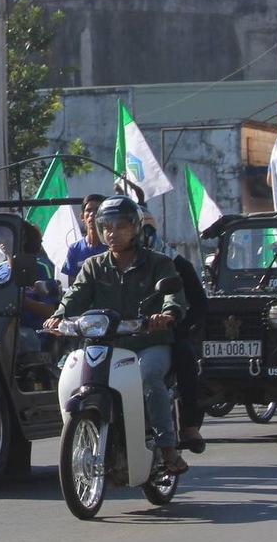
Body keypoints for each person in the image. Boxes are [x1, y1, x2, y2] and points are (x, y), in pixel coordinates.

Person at [45, 195, 190, 474]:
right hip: (105, 345)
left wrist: (167, 314)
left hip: (149, 343)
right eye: (107, 227)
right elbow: (76, 295)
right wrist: (59, 315)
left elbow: (173, 296)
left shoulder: (159, 263)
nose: (113, 233)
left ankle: (168, 448)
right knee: (72, 371)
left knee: (148, 376)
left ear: (134, 228)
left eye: (120, 226)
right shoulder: (93, 265)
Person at [139, 211, 210, 452]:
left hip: (167, 331)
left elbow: (199, 303)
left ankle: (189, 425)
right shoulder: (106, 264)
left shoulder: (175, 263)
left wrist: (176, 323)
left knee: (184, 355)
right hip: (125, 333)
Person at [0, 223, 58, 349]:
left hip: (30, 329)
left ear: (24, 239)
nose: (2, 239)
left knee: (23, 339)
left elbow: (50, 311)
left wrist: (21, 300)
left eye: (8, 234)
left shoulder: (40, 268)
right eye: (0, 236)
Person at [61, 193, 108, 283]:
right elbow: (72, 283)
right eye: (88, 210)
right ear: (82, 217)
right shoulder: (74, 249)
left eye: (97, 210)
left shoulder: (112, 246)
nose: (92, 214)